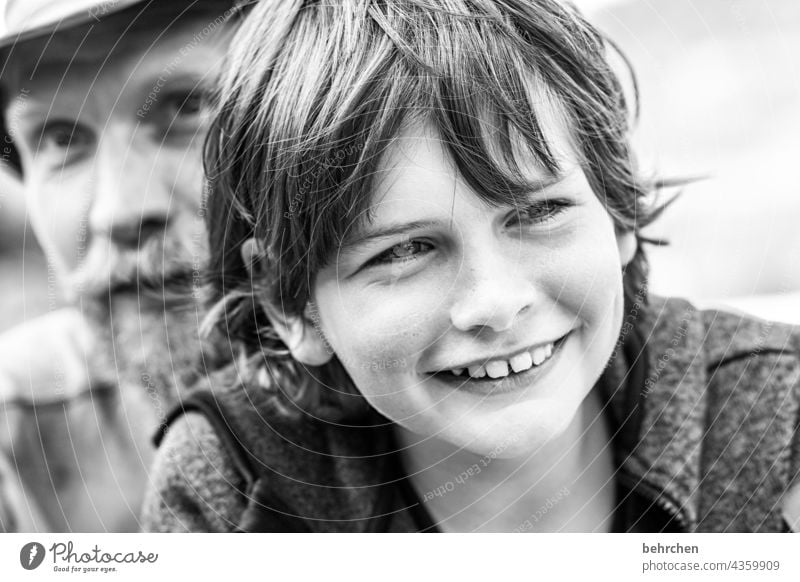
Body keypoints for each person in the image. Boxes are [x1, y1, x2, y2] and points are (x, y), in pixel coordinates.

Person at [143, 0, 800, 533]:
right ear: (290, 302)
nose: (495, 302)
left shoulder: (774, 413)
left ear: (616, 209)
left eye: (536, 213)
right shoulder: (233, 489)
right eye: (403, 251)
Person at [0, 0, 249, 532]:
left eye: (187, 108)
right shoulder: (15, 431)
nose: (121, 210)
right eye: (62, 138)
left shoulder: (453, 379)